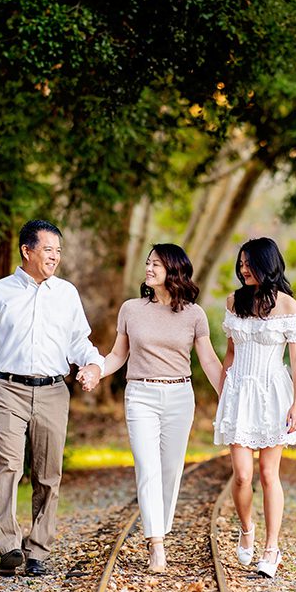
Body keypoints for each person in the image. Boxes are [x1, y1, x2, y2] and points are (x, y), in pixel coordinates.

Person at [0, 219, 104, 577]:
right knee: (8, 465)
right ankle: (9, 545)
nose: (54, 257)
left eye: (58, 251)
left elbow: (78, 341)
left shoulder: (67, 294)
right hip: (7, 388)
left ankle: (38, 548)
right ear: (26, 251)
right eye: (47, 250)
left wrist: (93, 364)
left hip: (54, 391)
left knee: (48, 473)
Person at [99, 244, 223, 572]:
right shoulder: (131, 309)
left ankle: (159, 529)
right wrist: (96, 370)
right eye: (148, 262)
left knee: (170, 471)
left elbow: (209, 361)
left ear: (174, 270)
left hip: (180, 396)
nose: (149, 268)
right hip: (140, 395)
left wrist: (229, 394)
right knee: (147, 467)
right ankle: (156, 544)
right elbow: (117, 355)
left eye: (156, 264)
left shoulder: (194, 315)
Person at [213, 237, 296, 578]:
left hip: (273, 393)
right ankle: (246, 529)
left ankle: (271, 549)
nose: (242, 269)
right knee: (241, 475)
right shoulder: (233, 301)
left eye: (248, 263)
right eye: (240, 264)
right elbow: (230, 353)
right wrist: (222, 393)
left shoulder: (288, 306)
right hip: (239, 391)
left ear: (266, 264)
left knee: (270, 474)